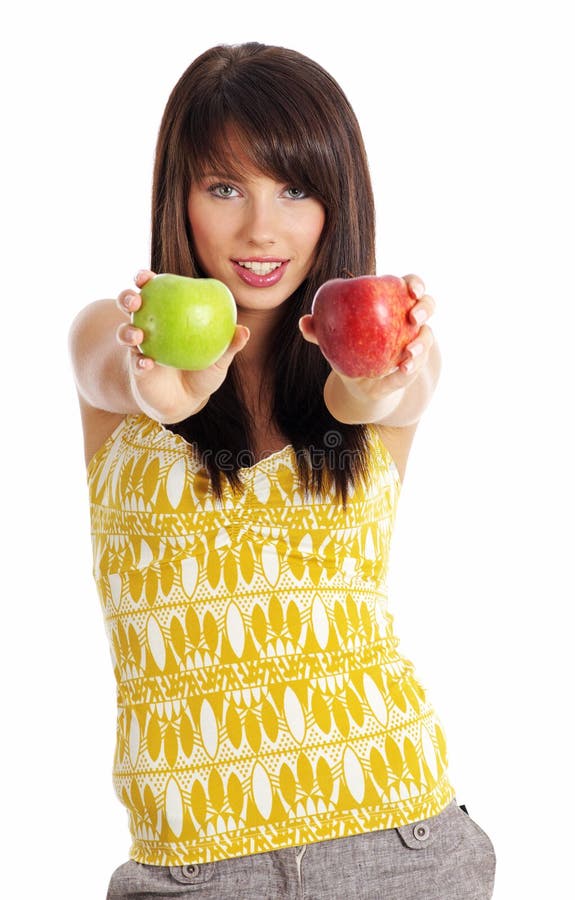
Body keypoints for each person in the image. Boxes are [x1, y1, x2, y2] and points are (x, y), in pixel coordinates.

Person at [69, 42, 496, 900]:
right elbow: (113, 374)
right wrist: (163, 388)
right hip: (193, 869)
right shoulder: (115, 343)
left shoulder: (387, 362)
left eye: (295, 189)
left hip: (401, 843)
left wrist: (381, 371)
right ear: (178, 197)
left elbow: (378, 396)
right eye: (224, 187)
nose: (261, 229)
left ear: (334, 204)